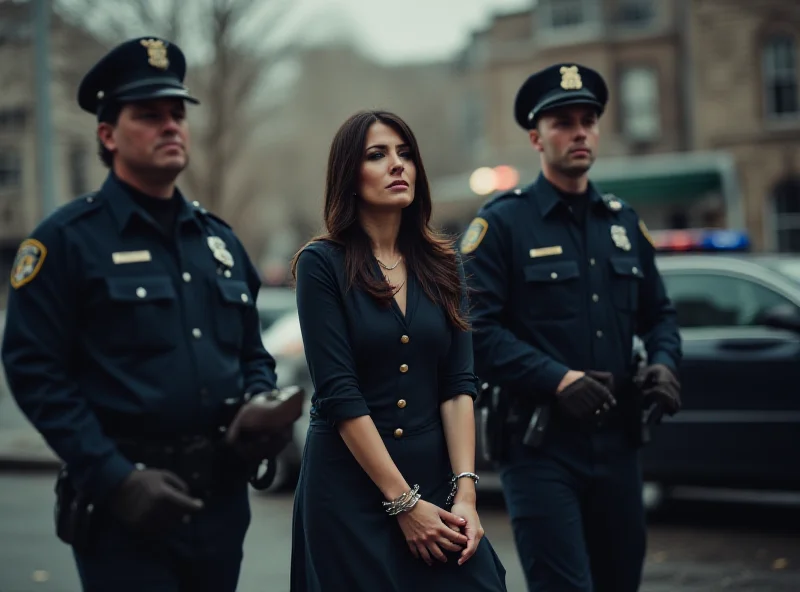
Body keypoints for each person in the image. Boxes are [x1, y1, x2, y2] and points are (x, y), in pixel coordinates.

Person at [1, 36, 290, 592]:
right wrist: (115, 479)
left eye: (177, 114)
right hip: (125, 511)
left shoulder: (218, 242)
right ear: (108, 135)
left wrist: (259, 412)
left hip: (219, 501)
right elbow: (35, 374)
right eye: (149, 115)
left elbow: (253, 351)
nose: (171, 126)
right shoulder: (65, 242)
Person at [460, 64, 683, 592]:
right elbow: (474, 332)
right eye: (563, 122)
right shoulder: (502, 225)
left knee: (619, 581)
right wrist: (557, 378)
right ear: (536, 137)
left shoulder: (624, 223)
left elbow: (661, 315)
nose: (579, 131)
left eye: (588, 120)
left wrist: (665, 364)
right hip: (540, 447)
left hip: (619, 442)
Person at [289, 110, 507, 591]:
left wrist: (465, 494)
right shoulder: (321, 264)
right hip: (348, 490)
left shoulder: (445, 263)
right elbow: (339, 394)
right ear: (348, 174)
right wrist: (403, 504)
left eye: (405, 154)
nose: (397, 165)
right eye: (377, 155)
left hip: (435, 479)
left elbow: (458, 385)